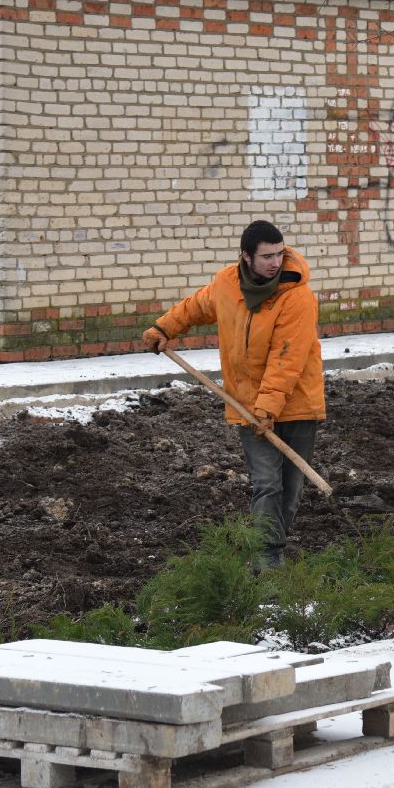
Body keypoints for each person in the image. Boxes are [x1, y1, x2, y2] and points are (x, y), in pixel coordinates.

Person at [143, 220, 325, 569]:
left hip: (297, 404)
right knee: (266, 484)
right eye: (267, 256)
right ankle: (266, 561)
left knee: (290, 491)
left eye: (279, 254)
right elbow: (196, 307)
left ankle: (271, 548)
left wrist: (269, 408)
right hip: (246, 404)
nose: (275, 262)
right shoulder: (227, 284)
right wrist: (164, 327)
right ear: (246, 257)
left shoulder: (297, 295)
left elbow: (287, 357)